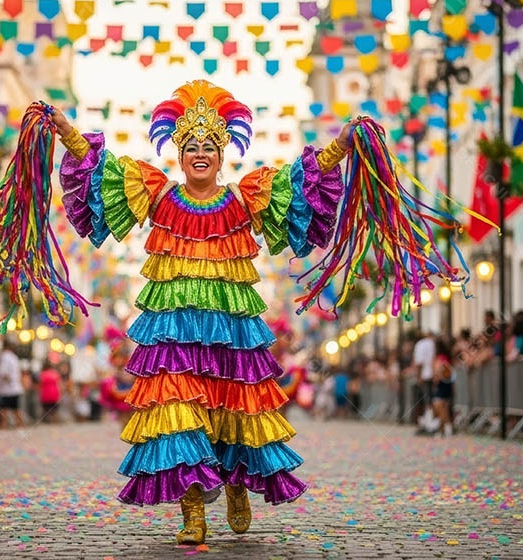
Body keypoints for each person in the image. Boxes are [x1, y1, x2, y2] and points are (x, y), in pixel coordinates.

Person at [49, 80, 357, 544]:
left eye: (209, 147)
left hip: (232, 335)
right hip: (173, 337)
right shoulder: (156, 194)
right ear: (178, 153)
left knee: (234, 415)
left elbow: (299, 184)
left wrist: (342, 145)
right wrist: (66, 131)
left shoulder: (245, 197)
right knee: (177, 420)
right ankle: (192, 514)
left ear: (222, 154)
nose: (200, 153)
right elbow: (102, 171)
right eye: (191, 146)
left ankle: (235, 483)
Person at [0, 342, 24, 428]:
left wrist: (4, 381)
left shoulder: (5, 357)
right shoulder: (14, 357)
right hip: (15, 387)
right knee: (15, 408)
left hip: (6, 388)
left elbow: (3, 372)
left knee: (3, 408)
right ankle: (20, 424)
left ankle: (3, 425)